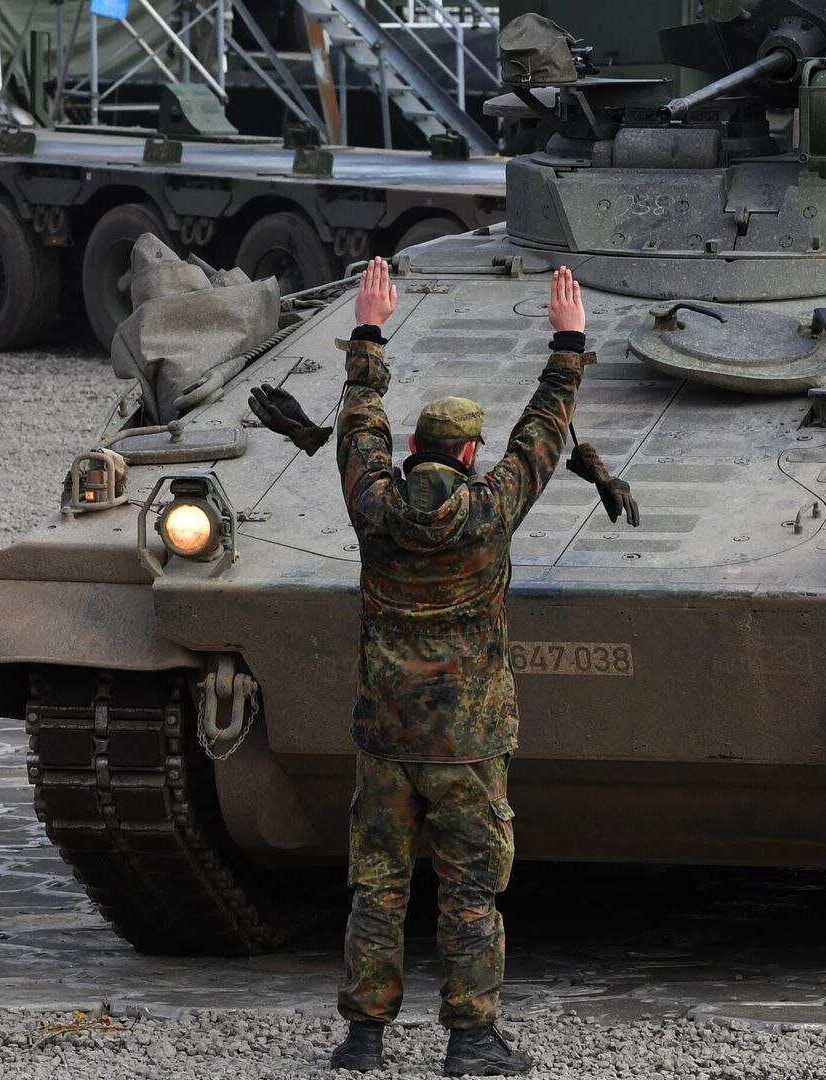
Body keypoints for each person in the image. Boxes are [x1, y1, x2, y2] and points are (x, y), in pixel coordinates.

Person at [250, 258, 595, 1076]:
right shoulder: (492, 508)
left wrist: (368, 330)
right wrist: (568, 342)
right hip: (468, 742)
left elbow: (358, 423)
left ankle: (363, 1039)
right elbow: (544, 430)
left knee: (379, 887)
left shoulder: (373, 503)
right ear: (471, 452)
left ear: (416, 447)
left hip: (386, 732)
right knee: (470, 892)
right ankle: (471, 1040)